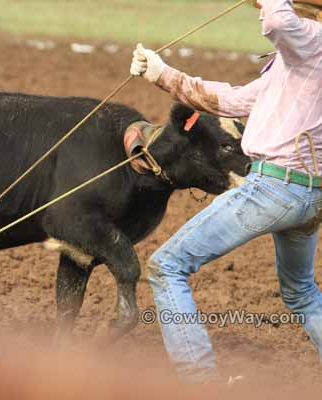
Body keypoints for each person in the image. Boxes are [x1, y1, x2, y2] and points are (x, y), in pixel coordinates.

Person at [130, 0, 322, 382]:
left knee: (166, 267)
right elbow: (231, 101)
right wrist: (162, 73)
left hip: (275, 188)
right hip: (310, 196)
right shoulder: (300, 60)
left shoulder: (313, 41)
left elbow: (278, 20)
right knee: (301, 291)